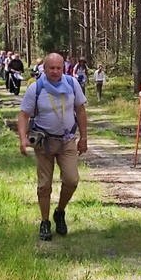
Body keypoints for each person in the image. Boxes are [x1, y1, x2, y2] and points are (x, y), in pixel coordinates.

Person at [17, 53, 88, 241]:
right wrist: (23, 139)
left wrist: (84, 138)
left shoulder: (72, 84)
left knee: (72, 180)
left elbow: (80, 110)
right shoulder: (36, 88)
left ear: (63, 67)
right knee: (44, 185)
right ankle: (45, 222)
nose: (55, 71)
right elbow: (24, 115)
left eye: (59, 68)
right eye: (52, 68)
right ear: (45, 69)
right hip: (44, 144)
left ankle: (60, 211)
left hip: (67, 141)